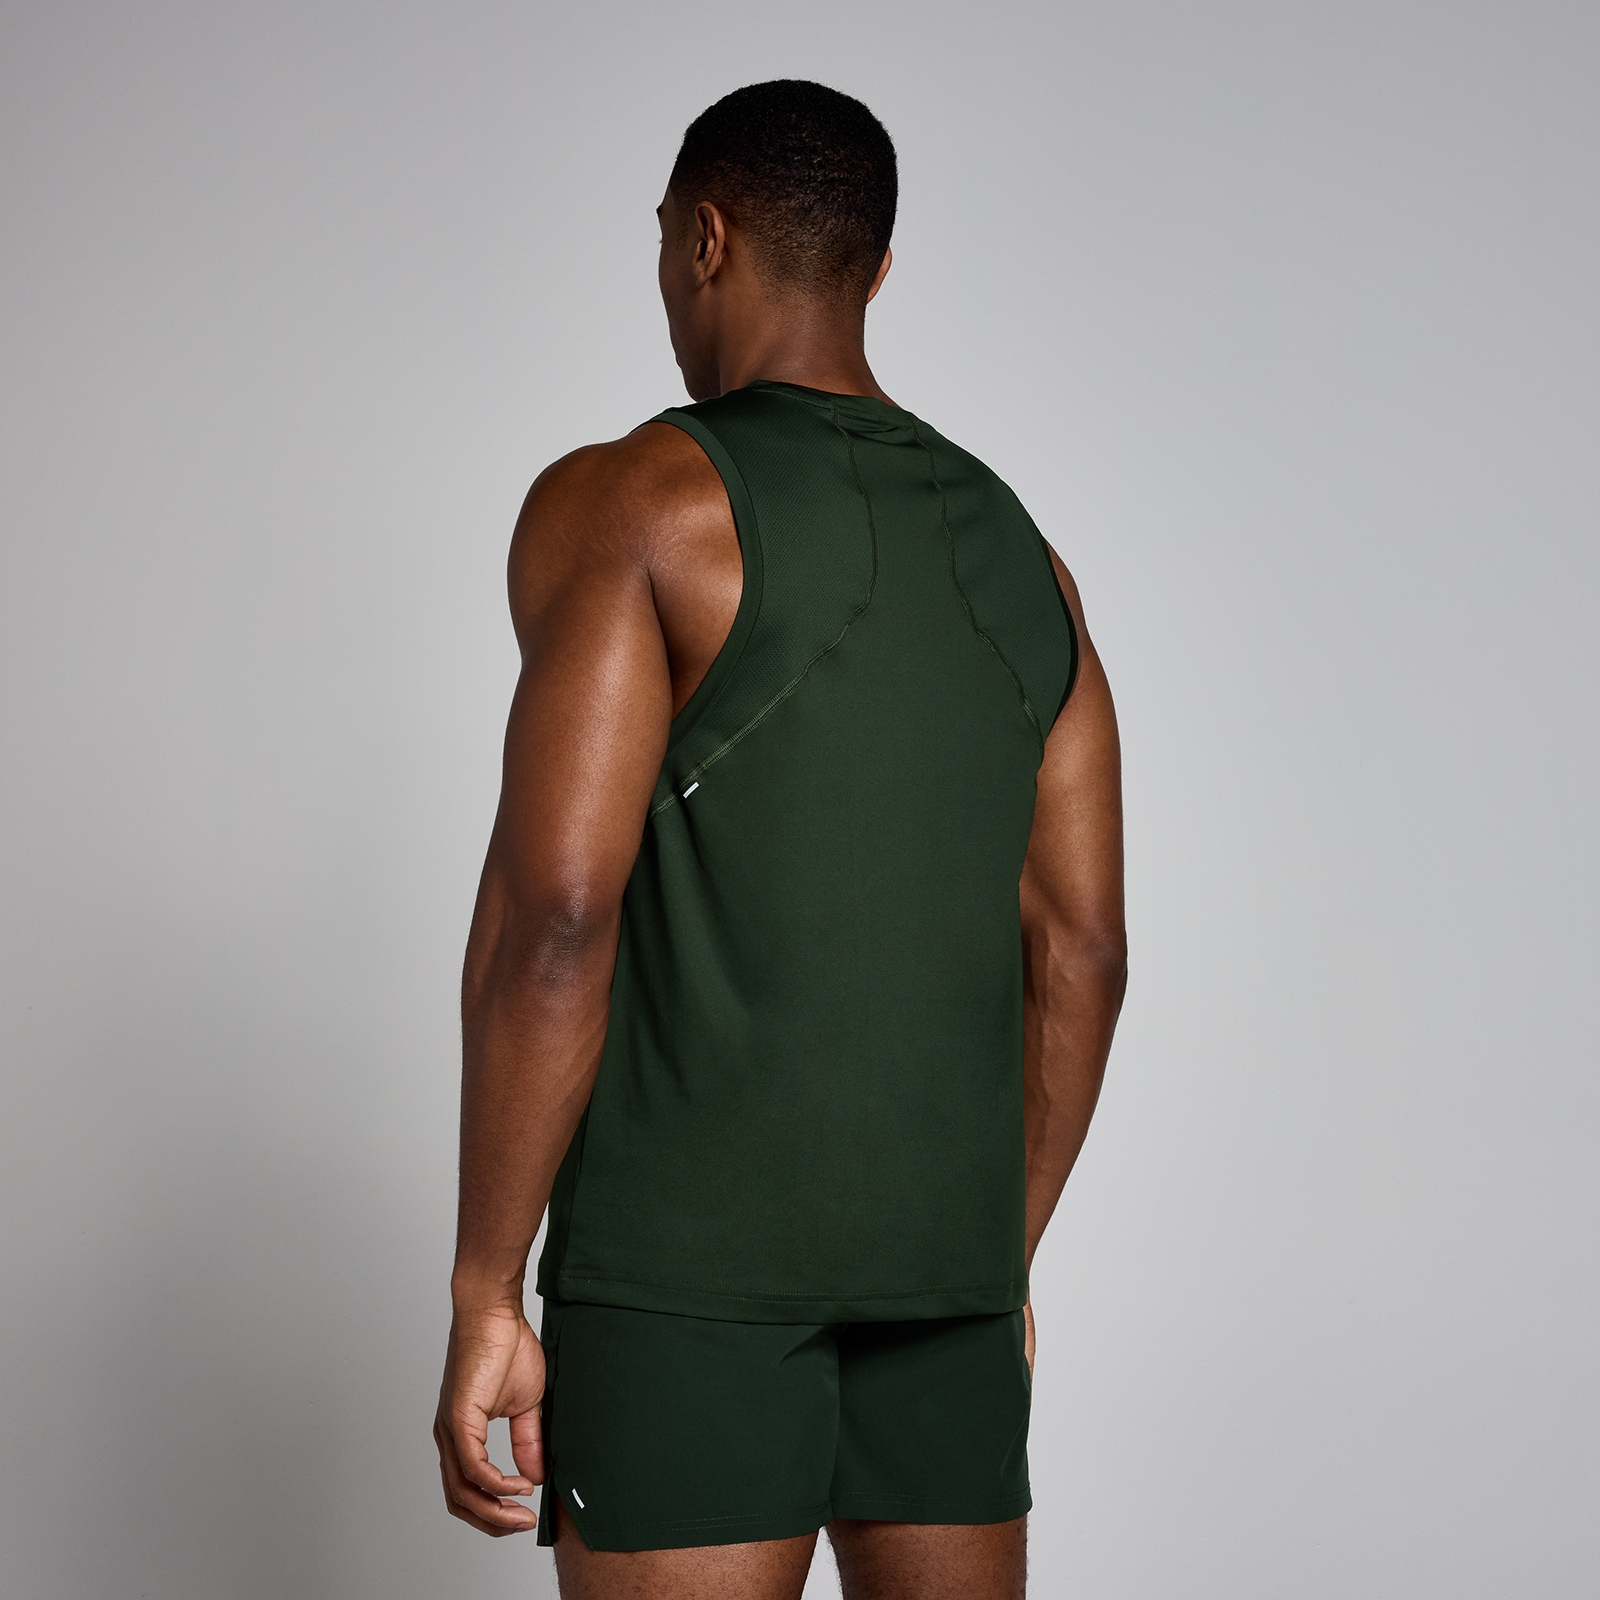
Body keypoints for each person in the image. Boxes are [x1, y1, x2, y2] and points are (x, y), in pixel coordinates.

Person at [433, 79, 1126, 1600]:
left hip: (680, 1286)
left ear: (704, 238)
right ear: (875, 267)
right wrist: (992, 1258)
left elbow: (558, 914)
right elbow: (1083, 951)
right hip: (947, 1289)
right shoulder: (1029, 560)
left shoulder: (632, 505)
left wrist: (489, 1288)